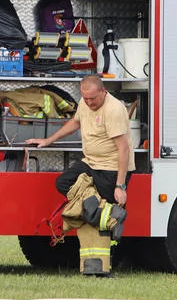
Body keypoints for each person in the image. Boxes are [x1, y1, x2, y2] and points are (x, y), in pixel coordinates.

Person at [27, 74, 135, 207]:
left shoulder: (113, 109)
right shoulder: (85, 103)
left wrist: (120, 186)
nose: (89, 103)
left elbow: (124, 149)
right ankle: (91, 207)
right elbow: (76, 122)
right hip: (90, 163)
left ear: (103, 91)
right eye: (85, 98)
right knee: (63, 183)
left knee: (107, 214)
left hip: (110, 168)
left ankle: (99, 214)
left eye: (93, 98)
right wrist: (49, 140)